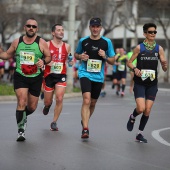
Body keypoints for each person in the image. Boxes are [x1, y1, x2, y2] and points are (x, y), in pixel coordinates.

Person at [0, 18, 51, 142]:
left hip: (35, 77)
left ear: (37, 29)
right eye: (29, 26)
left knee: (32, 107)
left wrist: (43, 61)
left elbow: (49, 57)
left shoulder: (42, 42)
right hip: (20, 76)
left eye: (34, 26)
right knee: (21, 101)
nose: (31, 28)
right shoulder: (17, 42)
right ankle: (21, 130)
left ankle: (22, 116)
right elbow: (6, 55)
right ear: (24, 27)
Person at [74, 17, 115, 138]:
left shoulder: (107, 42)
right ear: (90, 28)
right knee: (86, 99)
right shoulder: (83, 41)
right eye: (93, 26)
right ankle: (85, 128)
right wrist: (81, 56)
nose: (95, 29)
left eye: (97, 26)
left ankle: (84, 120)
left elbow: (113, 60)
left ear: (101, 28)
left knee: (92, 102)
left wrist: (105, 56)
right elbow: (76, 54)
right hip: (85, 73)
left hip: (98, 76)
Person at [126, 23, 167, 143]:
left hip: (152, 84)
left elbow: (164, 68)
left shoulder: (159, 49)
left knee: (147, 110)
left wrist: (165, 65)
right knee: (140, 108)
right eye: (150, 32)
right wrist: (135, 69)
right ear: (145, 33)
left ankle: (139, 134)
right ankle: (132, 116)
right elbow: (129, 62)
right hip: (140, 83)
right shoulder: (139, 48)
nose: (153, 34)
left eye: (154, 32)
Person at [42, 24, 72, 131]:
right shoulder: (46, 44)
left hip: (61, 75)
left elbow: (69, 60)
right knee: (48, 102)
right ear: (53, 33)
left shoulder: (67, 46)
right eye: (58, 30)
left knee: (59, 98)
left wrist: (71, 61)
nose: (61, 32)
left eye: (63, 30)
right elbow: (41, 59)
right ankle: (47, 106)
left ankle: (54, 122)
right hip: (49, 75)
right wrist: (46, 63)